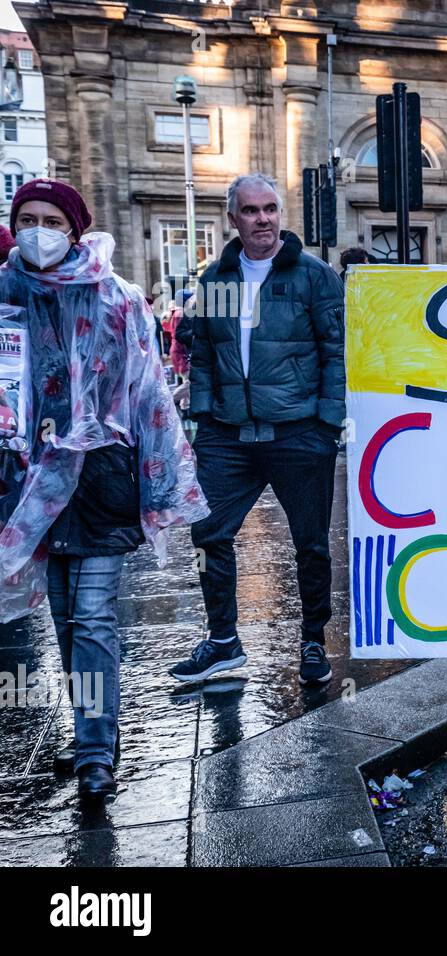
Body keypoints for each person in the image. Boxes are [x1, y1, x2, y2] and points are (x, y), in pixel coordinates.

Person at [0, 179, 208, 801]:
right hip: (30, 483)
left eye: (51, 220)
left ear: (74, 228)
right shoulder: (7, 296)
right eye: (27, 218)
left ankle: (94, 752)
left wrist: (164, 482)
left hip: (99, 478)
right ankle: (95, 728)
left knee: (91, 615)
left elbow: (148, 395)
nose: (39, 231)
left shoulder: (116, 298)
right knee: (63, 618)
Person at [168, 173, 346, 687]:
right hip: (227, 435)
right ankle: (223, 642)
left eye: (270, 208)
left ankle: (313, 640)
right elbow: (204, 355)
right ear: (233, 219)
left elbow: (337, 353)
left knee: (310, 543)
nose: (262, 219)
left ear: (280, 215)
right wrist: (202, 418)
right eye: (250, 211)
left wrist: (326, 425)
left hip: (298, 434)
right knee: (208, 532)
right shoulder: (217, 278)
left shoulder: (313, 276)